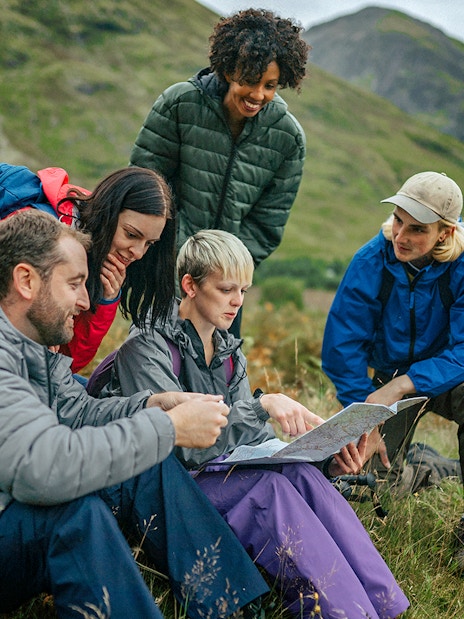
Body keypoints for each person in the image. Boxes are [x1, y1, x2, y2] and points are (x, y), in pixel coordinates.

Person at [102, 230, 409, 619]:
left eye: (244, 290)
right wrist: (262, 405)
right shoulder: (146, 346)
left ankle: (383, 604)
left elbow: (253, 439)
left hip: (220, 472)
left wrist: (324, 458)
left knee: (301, 475)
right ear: (190, 286)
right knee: (270, 489)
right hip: (174, 487)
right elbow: (179, 442)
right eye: (227, 288)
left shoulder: (230, 352)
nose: (237, 302)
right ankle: (342, 613)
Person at [0, 210, 269, 618]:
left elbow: (76, 410)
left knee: (147, 462)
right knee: (76, 516)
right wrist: (165, 428)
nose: (86, 300)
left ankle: (232, 605)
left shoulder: (32, 347)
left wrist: (149, 405)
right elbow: (44, 468)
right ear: (25, 281)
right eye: (74, 284)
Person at [129, 8, 309, 336]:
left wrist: (224, 271)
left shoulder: (288, 138)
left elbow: (268, 223)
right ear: (228, 69)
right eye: (249, 81)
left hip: (225, 286)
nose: (258, 95)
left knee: (215, 376)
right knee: (153, 364)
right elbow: (145, 187)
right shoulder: (179, 105)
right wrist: (178, 258)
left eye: (270, 85)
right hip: (167, 273)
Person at [322, 171, 464, 495]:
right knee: (367, 486)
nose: (400, 235)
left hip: (448, 375)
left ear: (445, 233)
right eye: (398, 220)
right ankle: (435, 469)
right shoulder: (371, 259)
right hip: (389, 375)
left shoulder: (461, 266)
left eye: (417, 229)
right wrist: (366, 418)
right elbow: (342, 347)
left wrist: (404, 385)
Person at [36, 165, 177, 372]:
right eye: (131, 234)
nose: (138, 253)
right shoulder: (44, 232)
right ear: (107, 213)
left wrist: (106, 300)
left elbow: (69, 364)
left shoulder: (101, 262)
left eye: (149, 243)